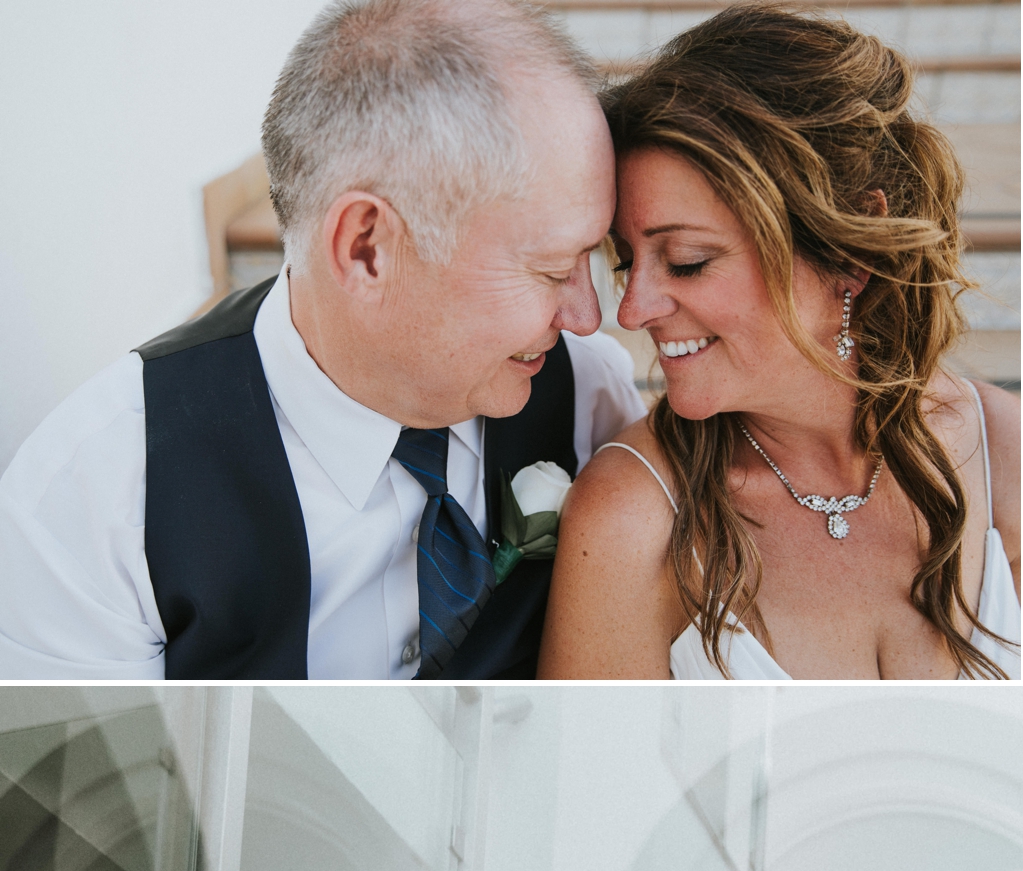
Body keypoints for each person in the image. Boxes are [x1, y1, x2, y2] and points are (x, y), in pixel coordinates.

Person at [0, 0, 641, 680]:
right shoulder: (95, 503)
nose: (588, 315)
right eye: (551, 268)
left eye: (595, 257)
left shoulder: (588, 397)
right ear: (366, 248)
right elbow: (93, 787)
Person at [539, 6, 1019, 680]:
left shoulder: (1011, 462)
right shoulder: (630, 520)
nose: (631, 308)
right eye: (625, 261)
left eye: (686, 260)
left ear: (851, 253)